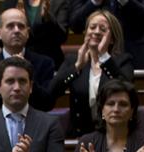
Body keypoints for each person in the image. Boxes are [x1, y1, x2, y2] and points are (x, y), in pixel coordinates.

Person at [49, 10, 132, 138]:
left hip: (112, 135)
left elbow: (128, 91)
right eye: (92, 27)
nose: (96, 32)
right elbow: (51, 93)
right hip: (79, 136)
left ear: (112, 39)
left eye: (103, 29)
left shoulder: (122, 61)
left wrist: (104, 56)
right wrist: (77, 67)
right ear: (86, 33)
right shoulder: (73, 60)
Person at [0, 7, 56, 117]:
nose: (16, 30)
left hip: (33, 126)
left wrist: (27, 76)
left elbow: (48, 104)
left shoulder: (44, 63)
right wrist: (0, 88)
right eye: (10, 26)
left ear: (28, 33)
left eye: (21, 26)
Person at [69, 0, 144, 68]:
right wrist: (94, 2)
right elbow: (75, 25)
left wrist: (125, 1)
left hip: (133, 52)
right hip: (94, 54)